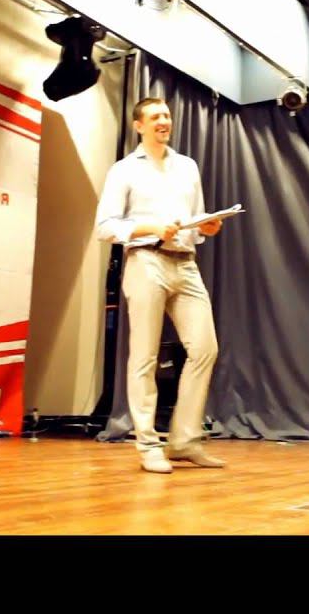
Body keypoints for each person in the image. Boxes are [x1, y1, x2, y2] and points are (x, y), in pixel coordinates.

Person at [94, 98, 226, 474]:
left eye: (167, 115)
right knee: (145, 356)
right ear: (139, 126)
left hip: (185, 262)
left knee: (205, 349)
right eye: (155, 116)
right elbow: (104, 227)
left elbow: (194, 223)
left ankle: (183, 441)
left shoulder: (187, 166)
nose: (164, 121)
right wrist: (151, 228)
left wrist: (206, 226)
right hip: (145, 259)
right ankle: (148, 444)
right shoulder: (124, 170)